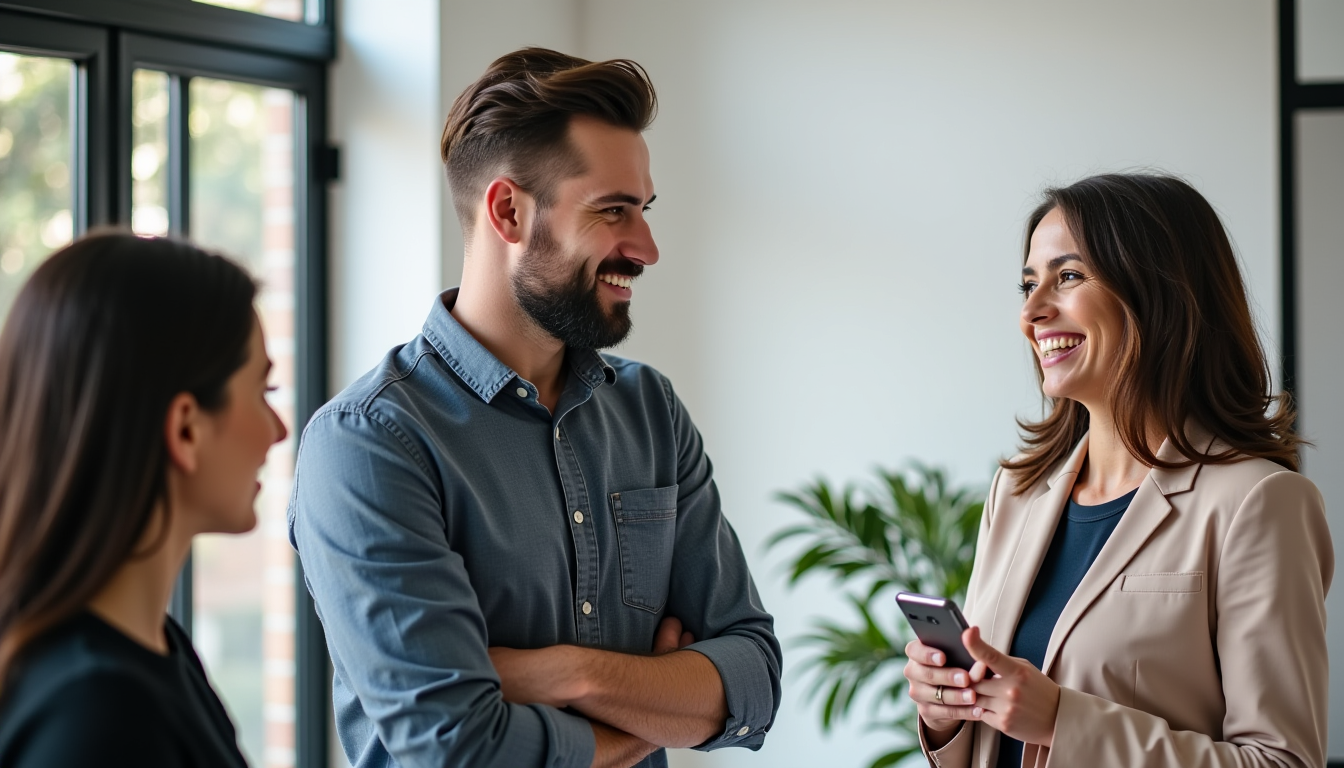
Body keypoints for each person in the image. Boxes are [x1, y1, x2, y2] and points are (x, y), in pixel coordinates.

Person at [288, 47, 781, 768]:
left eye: (642, 210)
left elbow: (754, 679)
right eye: (613, 211)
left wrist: (560, 672)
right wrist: (656, 713)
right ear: (508, 211)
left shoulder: (650, 411)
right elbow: (458, 750)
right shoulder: (369, 445)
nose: (646, 247)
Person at [903, 173, 1332, 768]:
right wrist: (945, 714)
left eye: (1069, 276)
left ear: (1161, 291)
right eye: (1029, 284)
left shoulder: (1259, 502)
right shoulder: (1018, 494)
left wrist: (1062, 721)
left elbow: (1282, 761)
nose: (1032, 311)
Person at [0, 232, 288, 767]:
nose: (279, 430)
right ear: (185, 429)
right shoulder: (97, 715)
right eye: (261, 393)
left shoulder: (155, 649)